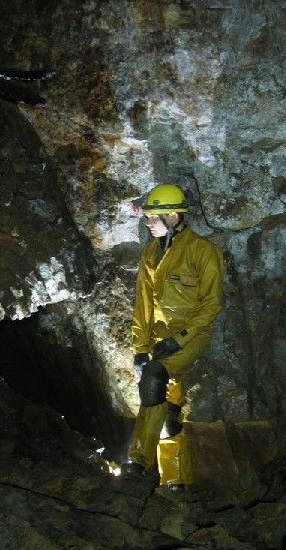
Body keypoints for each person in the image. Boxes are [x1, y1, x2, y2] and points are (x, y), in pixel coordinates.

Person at [121, 183, 224, 489]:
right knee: (169, 412)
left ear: (173, 216)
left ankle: (138, 462)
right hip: (160, 341)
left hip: (191, 337)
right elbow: (142, 302)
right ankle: (176, 478)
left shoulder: (203, 251)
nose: (148, 223)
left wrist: (179, 339)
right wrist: (140, 347)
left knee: (153, 378)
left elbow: (211, 304)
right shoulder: (151, 252)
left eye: (153, 217)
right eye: (148, 217)